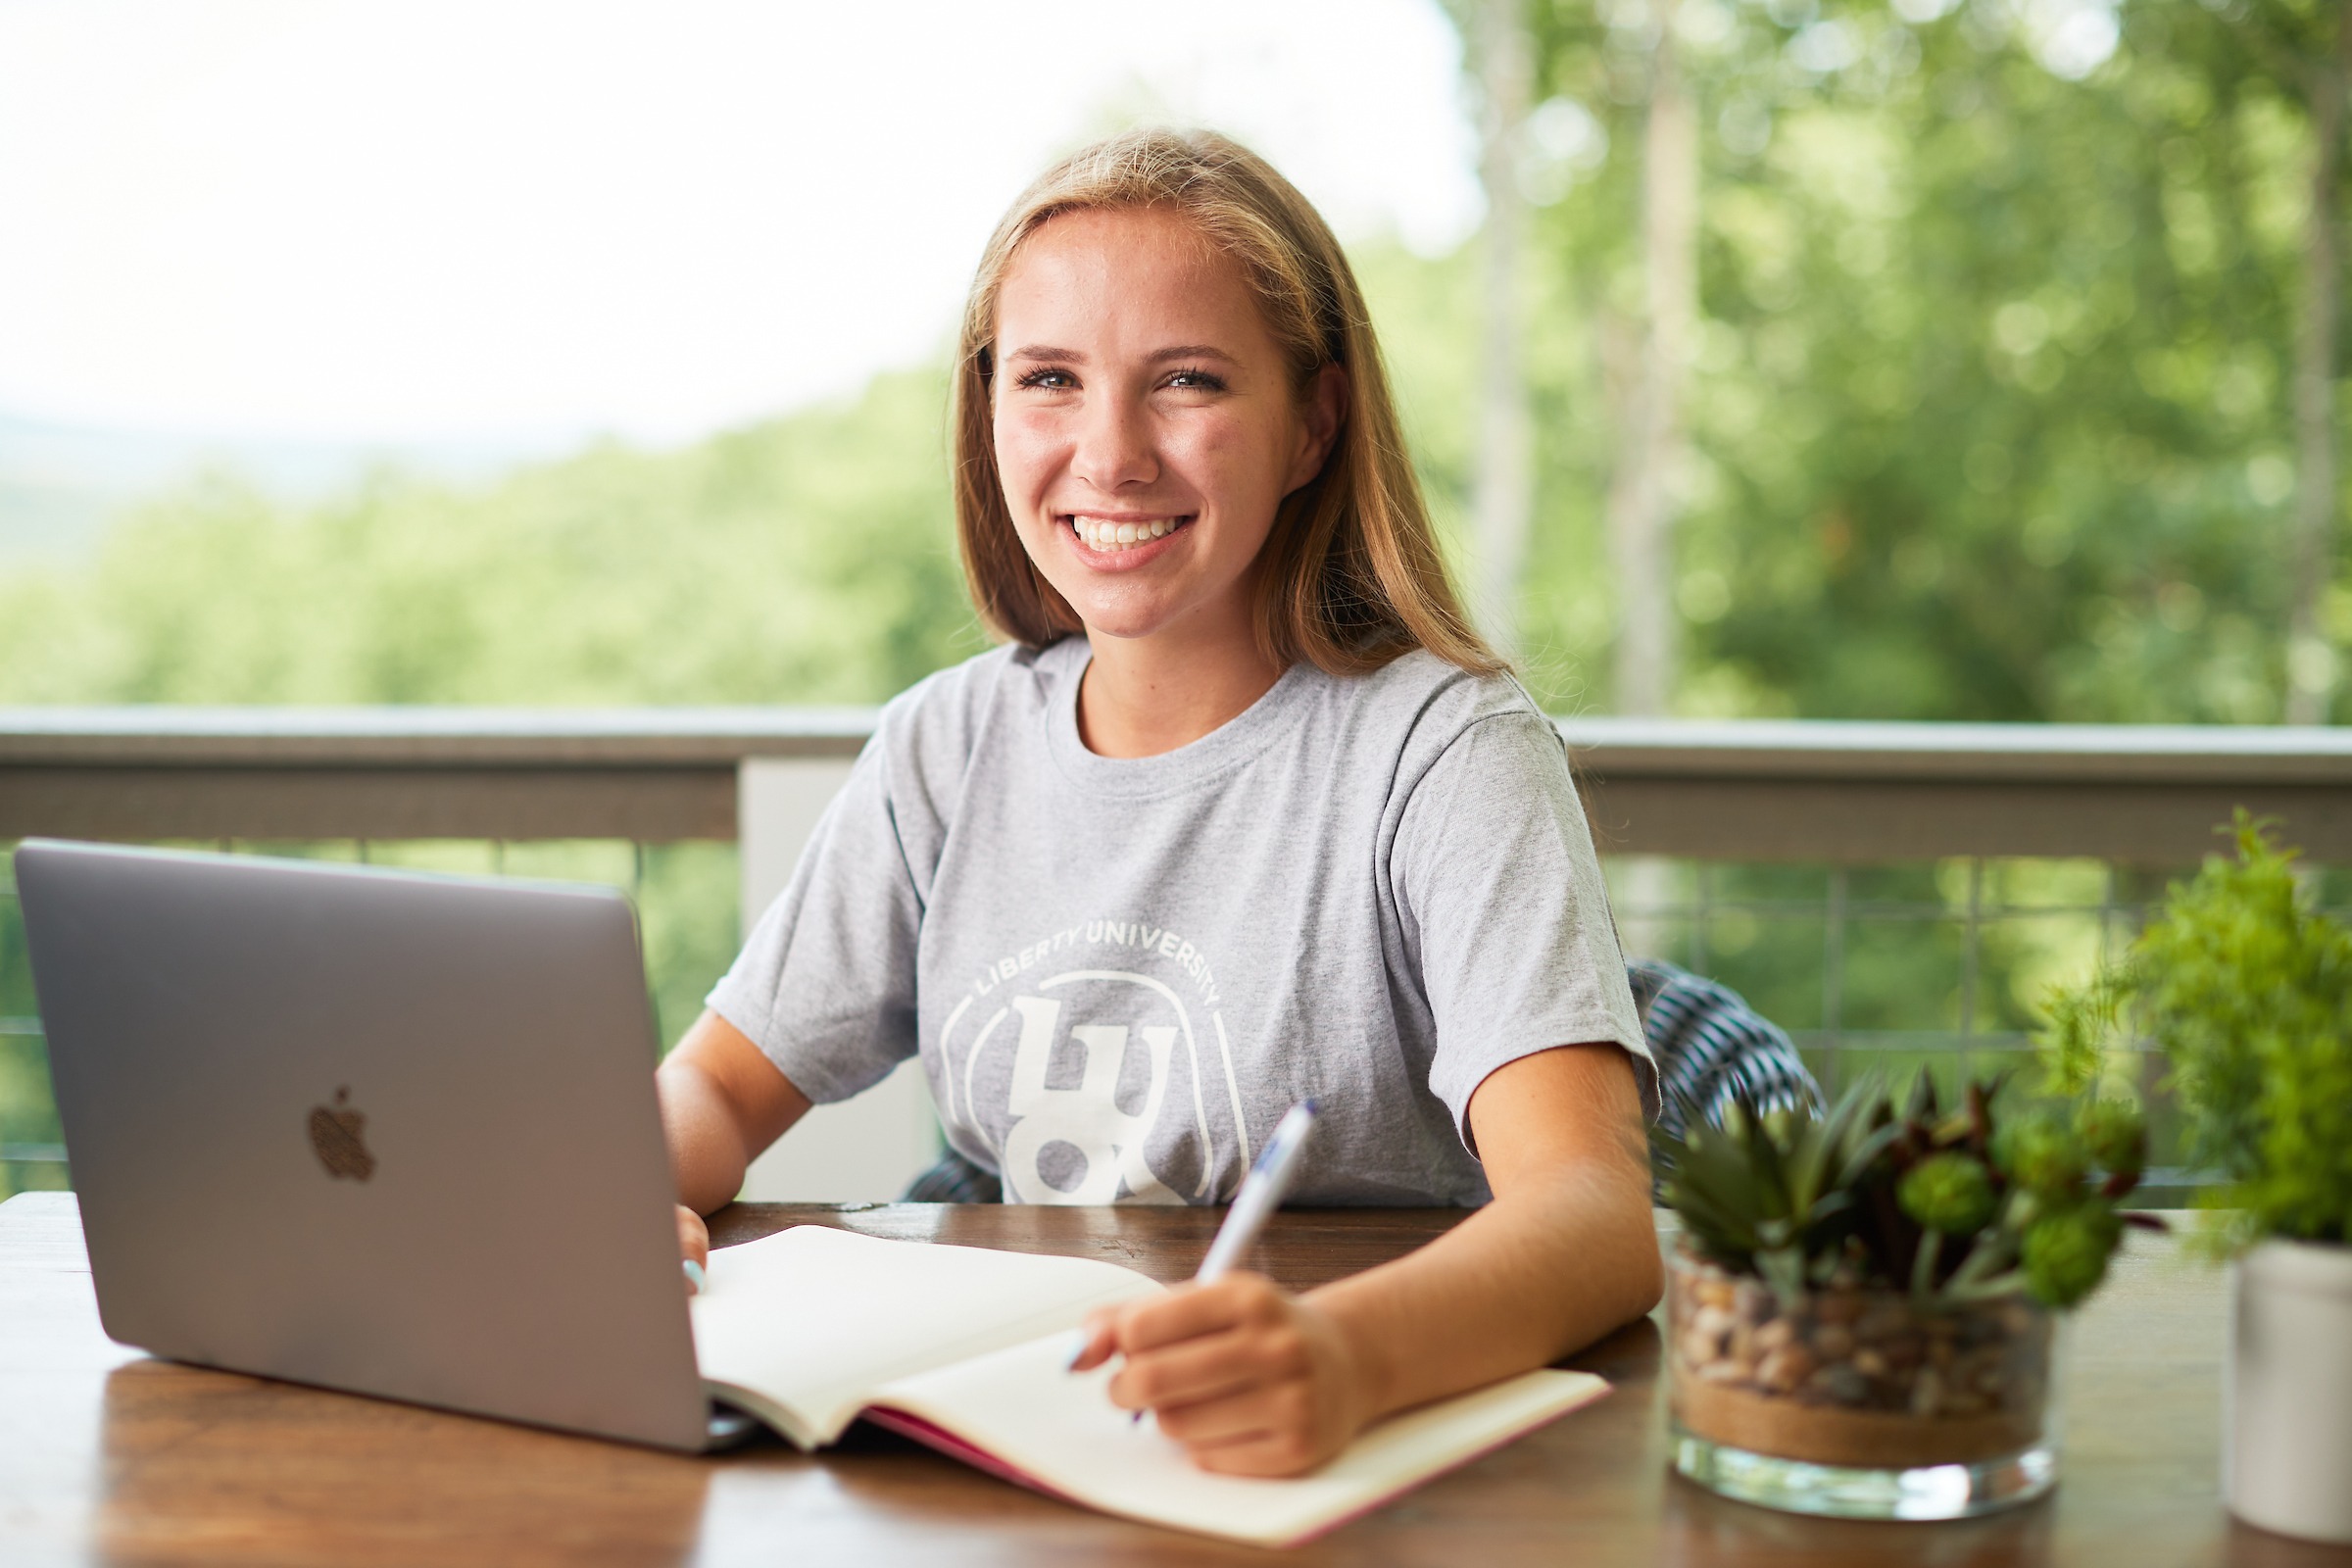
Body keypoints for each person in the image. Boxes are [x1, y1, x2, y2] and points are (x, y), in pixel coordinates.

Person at [656, 127, 1663, 1479]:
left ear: (1313, 425)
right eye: (1051, 380)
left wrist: (1348, 1358)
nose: (1110, 454)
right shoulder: (944, 750)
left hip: (1350, 1448)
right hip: (1037, 1440)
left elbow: (1597, 1215)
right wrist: (619, 1190)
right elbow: (718, 1085)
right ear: (990, 410)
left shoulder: (1444, 749)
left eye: (1185, 382)